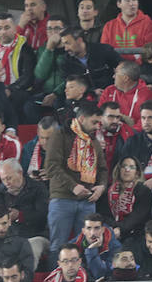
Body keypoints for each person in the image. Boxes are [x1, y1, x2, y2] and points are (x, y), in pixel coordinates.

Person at [45, 104, 107, 255]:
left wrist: (101, 186)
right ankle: (56, 278)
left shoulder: (94, 141)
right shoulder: (60, 135)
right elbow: (51, 166)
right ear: (81, 119)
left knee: (89, 245)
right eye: (94, 122)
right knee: (58, 246)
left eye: (99, 123)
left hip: (88, 201)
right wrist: (73, 186)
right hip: (62, 198)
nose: (96, 127)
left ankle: (86, 278)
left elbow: (103, 169)